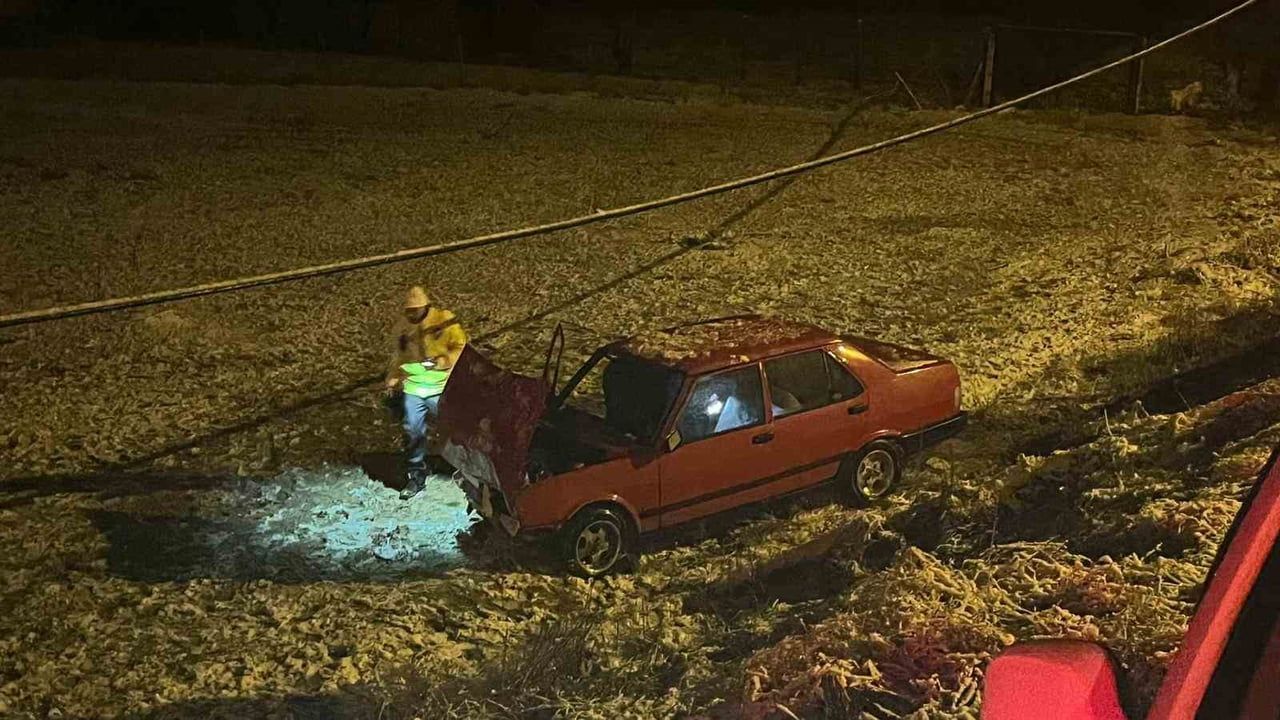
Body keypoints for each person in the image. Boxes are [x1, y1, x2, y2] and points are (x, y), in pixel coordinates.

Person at [385, 285, 468, 499]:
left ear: (425, 307)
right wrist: (393, 378)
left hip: (441, 386)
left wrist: (442, 362)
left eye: (416, 310)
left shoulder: (444, 320)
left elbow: (461, 347)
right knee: (414, 432)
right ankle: (416, 477)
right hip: (414, 388)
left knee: (457, 431)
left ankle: (467, 473)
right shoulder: (402, 329)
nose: (412, 314)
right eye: (409, 311)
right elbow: (397, 356)